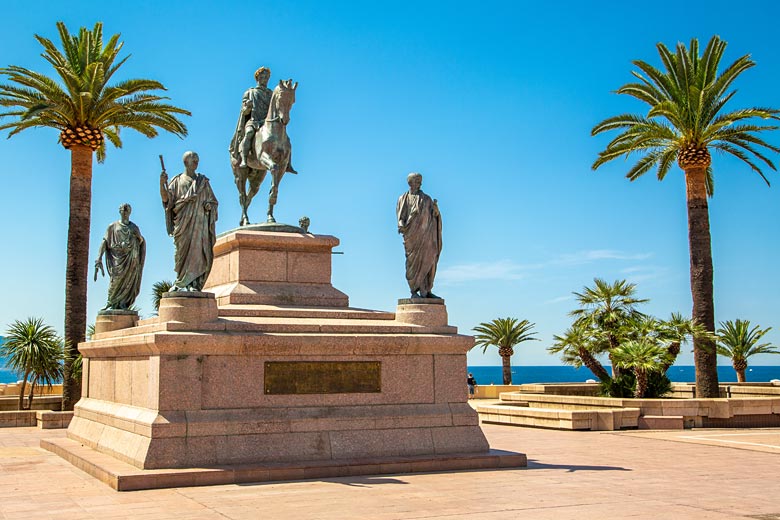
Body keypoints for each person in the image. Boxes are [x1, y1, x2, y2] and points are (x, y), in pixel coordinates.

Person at [160, 151, 219, 292]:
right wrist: (162, 183)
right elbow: (166, 200)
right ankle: (181, 282)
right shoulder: (176, 181)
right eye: (194, 160)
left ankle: (194, 284)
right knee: (181, 254)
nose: (196, 162)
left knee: (198, 253)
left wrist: (209, 205)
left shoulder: (203, 182)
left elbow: (214, 201)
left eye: (197, 160)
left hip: (200, 225)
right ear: (185, 162)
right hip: (183, 225)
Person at [396, 172, 442, 298]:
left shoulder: (427, 199)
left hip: (427, 236)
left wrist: (436, 211)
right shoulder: (403, 198)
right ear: (410, 183)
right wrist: (401, 225)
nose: (419, 184)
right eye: (417, 181)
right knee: (414, 264)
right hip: (412, 236)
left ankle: (427, 290)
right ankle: (414, 291)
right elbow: (401, 216)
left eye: (420, 181)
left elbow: (435, 215)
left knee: (430, 259)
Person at [94, 203, 145, 310]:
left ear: (130, 212)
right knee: (115, 279)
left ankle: (123, 302)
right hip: (117, 258)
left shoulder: (134, 227)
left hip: (131, 258)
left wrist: (134, 241)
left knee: (129, 280)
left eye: (127, 210)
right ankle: (111, 301)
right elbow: (105, 242)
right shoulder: (112, 226)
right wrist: (98, 258)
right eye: (123, 210)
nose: (125, 212)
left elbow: (140, 241)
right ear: (119, 211)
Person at [230, 67, 273, 169]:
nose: (265, 79)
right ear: (257, 78)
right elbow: (244, 111)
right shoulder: (250, 92)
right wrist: (248, 107)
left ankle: (287, 162)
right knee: (249, 133)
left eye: (267, 77)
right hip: (254, 121)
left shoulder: (271, 94)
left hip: (266, 122)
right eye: (263, 77)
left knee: (283, 136)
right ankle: (244, 159)